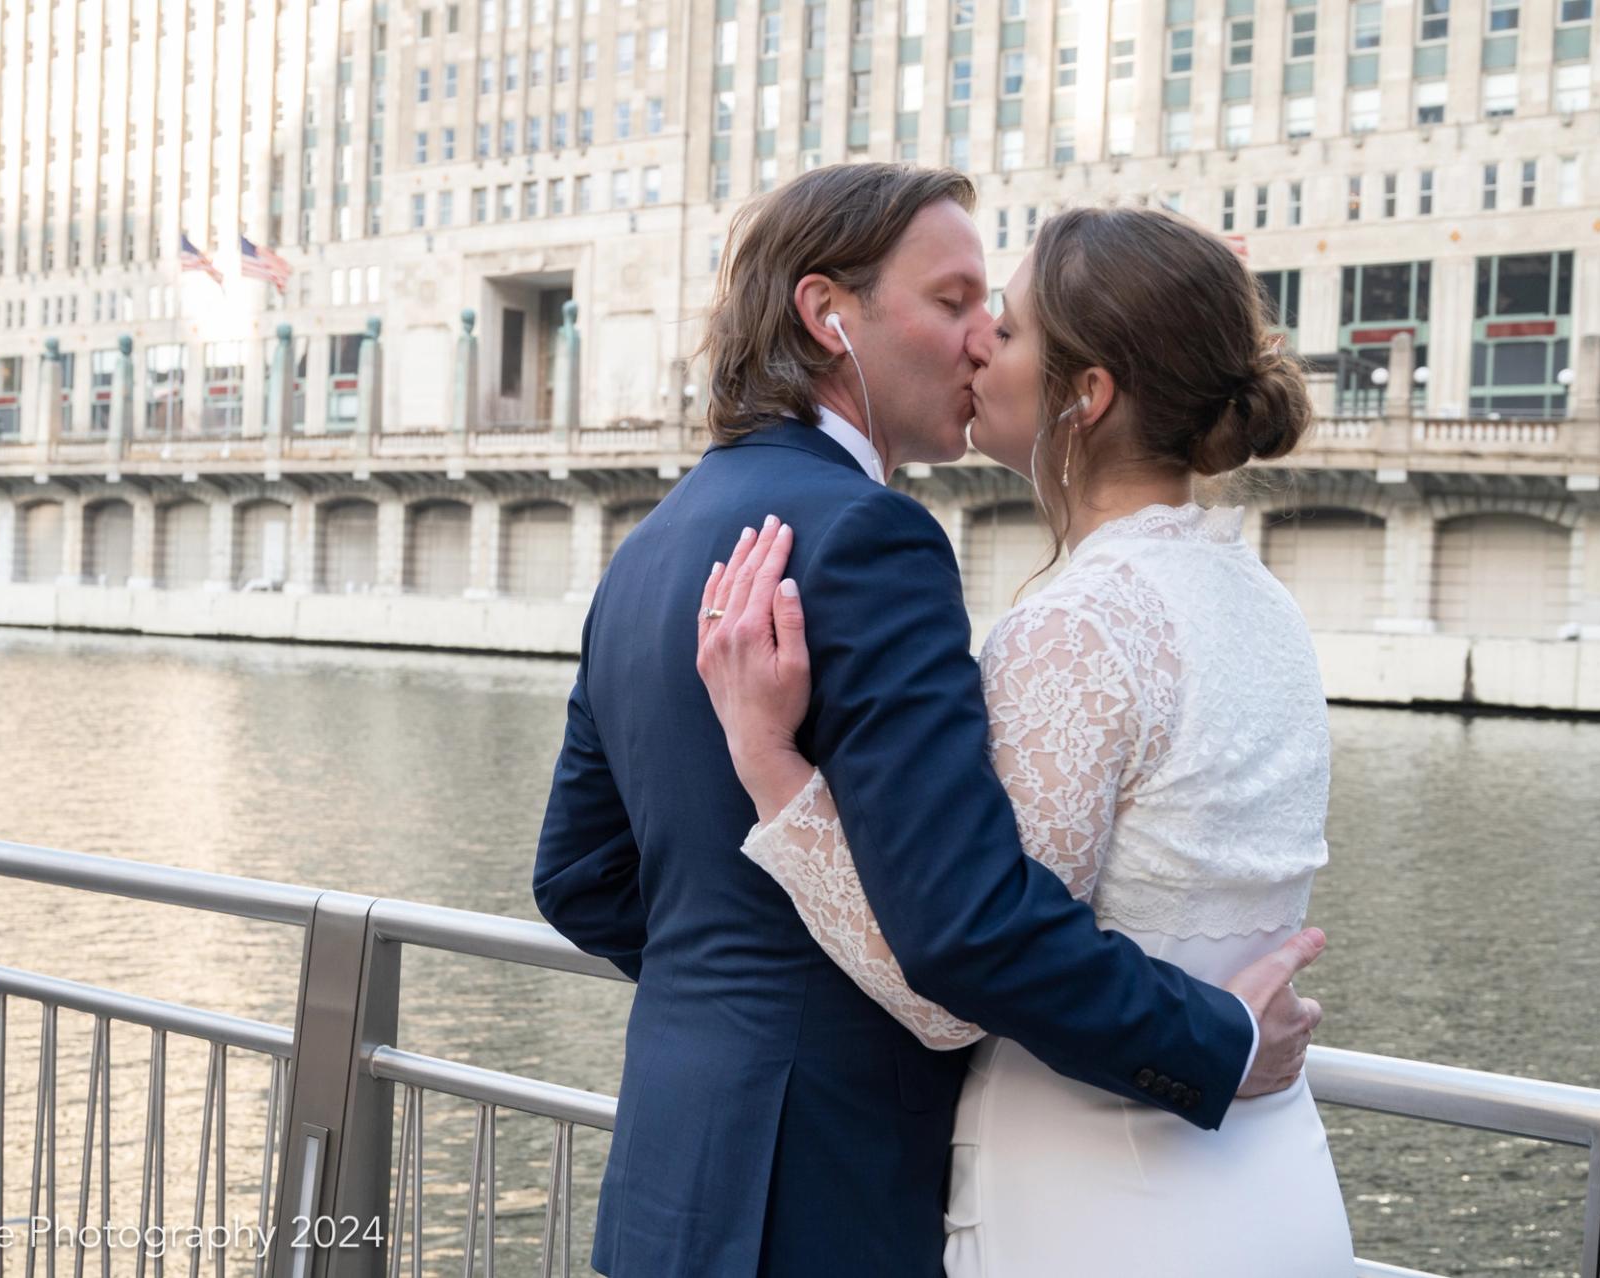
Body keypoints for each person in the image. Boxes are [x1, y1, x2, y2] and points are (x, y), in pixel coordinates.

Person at [533, 164, 1325, 1277]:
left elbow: (576, 876)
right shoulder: (875, 540)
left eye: (994, 316)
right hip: (828, 1191)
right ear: (828, 314)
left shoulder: (654, 543)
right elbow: (962, 928)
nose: (977, 343)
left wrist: (736, 1002)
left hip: (676, 1171)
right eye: (953, 303)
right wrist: (1214, 1041)